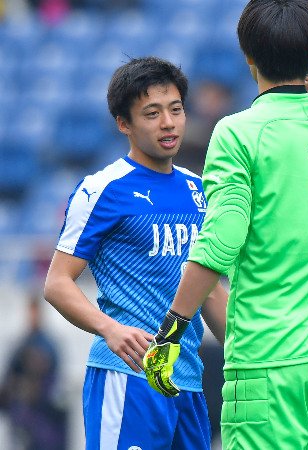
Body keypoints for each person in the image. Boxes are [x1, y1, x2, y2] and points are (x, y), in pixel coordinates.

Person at [143, 1, 308, 449]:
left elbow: (221, 240)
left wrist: (170, 332)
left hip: (270, 355)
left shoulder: (237, 133)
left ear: (249, 59)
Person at [43, 56, 228, 450]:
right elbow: (57, 282)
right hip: (128, 377)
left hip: (189, 382)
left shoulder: (201, 191)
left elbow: (209, 289)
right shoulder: (102, 189)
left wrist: (248, 353)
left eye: (176, 110)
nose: (168, 123)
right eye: (152, 113)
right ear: (123, 124)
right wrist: (109, 329)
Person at [0, 293, 67, 450]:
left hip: (45, 414)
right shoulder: (21, 344)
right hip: (23, 412)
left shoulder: (49, 345)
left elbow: (56, 380)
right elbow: (9, 377)